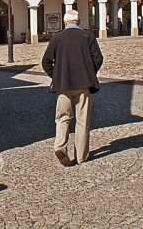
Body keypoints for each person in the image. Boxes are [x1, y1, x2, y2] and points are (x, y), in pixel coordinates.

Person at [41, 10, 104, 166]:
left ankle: (60, 146)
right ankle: (81, 156)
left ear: (64, 22)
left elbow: (46, 62)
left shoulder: (57, 38)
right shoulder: (87, 36)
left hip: (63, 85)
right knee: (82, 120)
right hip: (84, 84)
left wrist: (56, 76)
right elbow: (98, 58)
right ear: (79, 21)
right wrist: (90, 72)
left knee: (62, 118)